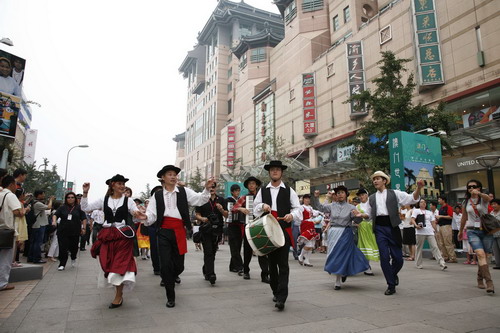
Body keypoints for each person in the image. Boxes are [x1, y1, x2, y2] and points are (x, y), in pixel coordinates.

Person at [144, 165, 212, 308]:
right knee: (166, 264)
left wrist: (206, 189)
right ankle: (170, 295)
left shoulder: (184, 191)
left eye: (175, 174)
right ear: (163, 178)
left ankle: (173, 275)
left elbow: (200, 200)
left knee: (179, 265)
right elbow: (151, 216)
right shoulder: (156, 196)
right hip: (163, 231)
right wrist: (143, 216)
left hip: (179, 231)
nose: (173, 176)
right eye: (169, 174)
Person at [353, 171, 423, 295]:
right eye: (374, 179)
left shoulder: (394, 194)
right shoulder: (372, 198)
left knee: (398, 259)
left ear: (384, 181)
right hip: (379, 228)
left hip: (393, 227)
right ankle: (391, 284)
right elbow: (368, 214)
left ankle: (393, 273)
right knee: (384, 257)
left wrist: (418, 188)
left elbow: (412, 198)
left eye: (378, 178)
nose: (375, 181)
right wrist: (361, 215)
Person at [83, 174, 143, 308]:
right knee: (107, 262)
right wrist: (85, 193)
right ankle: (116, 288)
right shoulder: (103, 200)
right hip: (107, 235)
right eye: (120, 184)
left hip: (122, 236)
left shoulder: (129, 201)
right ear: (112, 185)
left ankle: (118, 295)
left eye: (123, 184)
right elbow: (85, 208)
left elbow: (135, 211)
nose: (122, 186)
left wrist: (137, 213)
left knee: (119, 264)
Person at [253, 160, 301, 311]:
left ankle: (282, 297)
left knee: (283, 264)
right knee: (272, 265)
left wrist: (291, 216)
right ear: (269, 172)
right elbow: (255, 207)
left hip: (283, 230)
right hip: (267, 231)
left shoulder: (289, 190)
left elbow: (298, 209)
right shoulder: (263, 190)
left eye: (277, 170)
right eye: (272, 170)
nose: (275, 172)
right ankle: (275, 290)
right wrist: (263, 206)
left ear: (281, 172)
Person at [313, 186, 369, 290]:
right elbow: (320, 208)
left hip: (345, 232)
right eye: (338, 193)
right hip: (333, 232)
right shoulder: (331, 205)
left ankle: (338, 280)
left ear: (346, 194)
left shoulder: (352, 207)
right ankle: (341, 275)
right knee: (334, 254)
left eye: (342, 192)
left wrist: (358, 216)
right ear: (336, 195)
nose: (340, 194)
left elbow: (357, 221)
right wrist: (316, 197)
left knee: (341, 255)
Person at [459, 179, 494, 293]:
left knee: (485, 256)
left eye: (474, 186)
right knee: (480, 253)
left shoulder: (483, 199)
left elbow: (489, 199)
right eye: (469, 187)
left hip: (486, 230)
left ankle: (479, 278)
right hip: (472, 230)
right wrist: (460, 231)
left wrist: (478, 193)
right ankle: (489, 282)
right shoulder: (466, 202)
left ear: (479, 187)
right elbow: (464, 217)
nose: (471, 188)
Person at [232, 176, 269, 282]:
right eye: (249, 184)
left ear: (257, 185)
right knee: (247, 250)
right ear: (247, 186)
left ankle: (265, 274)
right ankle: (246, 270)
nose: (251, 185)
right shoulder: (244, 197)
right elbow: (234, 208)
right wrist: (241, 208)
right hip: (249, 226)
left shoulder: (262, 197)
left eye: (253, 183)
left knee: (262, 250)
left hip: (261, 226)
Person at [195, 181, 228, 286]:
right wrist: (203, 219)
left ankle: (206, 268)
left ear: (216, 188)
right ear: (206, 187)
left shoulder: (221, 200)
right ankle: (211, 274)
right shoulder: (202, 199)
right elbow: (197, 215)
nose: (212, 188)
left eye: (214, 186)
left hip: (217, 229)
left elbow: (227, 215)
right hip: (206, 229)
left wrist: (221, 209)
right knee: (208, 251)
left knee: (213, 252)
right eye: (210, 186)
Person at [53, 192, 87, 271]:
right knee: (63, 248)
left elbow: (84, 218)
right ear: (66, 199)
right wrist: (54, 221)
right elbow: (55, 215)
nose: (70, 199)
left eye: (72, 197)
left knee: (74, 247)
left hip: (75, 231)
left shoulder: (79, 208)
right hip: (63, 231)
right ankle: (62, 264)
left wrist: (84, 228)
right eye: (68, 197)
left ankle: (73, 257)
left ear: (75, 199)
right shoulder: (62, 207)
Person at [0, 176, 23, 291]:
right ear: (11, 184)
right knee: (5, 259)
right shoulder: (10, 195)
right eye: (15, 184)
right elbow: (17, 212)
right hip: (6, 231)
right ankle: (3, 283)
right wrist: (23, 211)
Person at [411, 199, 447, 270]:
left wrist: (436, 231)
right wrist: (416, 225)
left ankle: (442, 263)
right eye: (421, 202)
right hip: (420, 232)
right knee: (419, 248)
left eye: (424, 202)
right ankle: (418, 264)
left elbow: (433, 222)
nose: (423, 203)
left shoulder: (429, 212)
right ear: (419, 203)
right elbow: (412, 219)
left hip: (429, 231)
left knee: (435, 247)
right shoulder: (416, 211)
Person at [355, 188, 380, 274]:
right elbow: (355, 218)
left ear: (367, 195)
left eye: (363, 195)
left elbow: (370, 215)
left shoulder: (371, 204)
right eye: (360, 195)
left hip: (372, 227)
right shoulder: (357, 206)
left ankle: (366, 266)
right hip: (362, 228)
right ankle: (367, 267)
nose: (361, 197)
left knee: (371, 245)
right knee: (364, 246)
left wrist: (362, 215)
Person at [28, 190, 54, 264]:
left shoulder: (34, 202)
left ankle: (31, 257)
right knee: (38, 242)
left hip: (36, 225)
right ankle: (36, 258)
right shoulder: (38, 203)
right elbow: (49, 207)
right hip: (39, 225)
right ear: (38, 195)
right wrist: (51, 200)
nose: (44, 195)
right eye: (43, 194)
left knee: (33, 242)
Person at [296, 194, 321, 267]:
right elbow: (298, 215)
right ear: (303, 200)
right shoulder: (301, 207)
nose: (307, 200)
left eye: (308, 199)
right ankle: (300, 256)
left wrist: (321, 213)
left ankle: (307, 260)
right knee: (308, 244)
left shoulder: (310, 208)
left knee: (312, 244)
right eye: (306, 199)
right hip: (305, 225)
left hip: (311, 225)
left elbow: (315, 213)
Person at [226, 184, 244, 274]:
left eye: (238, 190)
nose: (237, 192)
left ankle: (232, 266)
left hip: (239, 226)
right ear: (232, 192)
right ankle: (240, 266)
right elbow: (230, 210)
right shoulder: (228, 200)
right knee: (234, 247)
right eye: (236, 191)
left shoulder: (242, 200)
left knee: (238, 246)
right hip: (231, 226)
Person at [434, 196, 456, 263]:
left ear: (443, 200)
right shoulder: (440, 208)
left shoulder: (448, 207)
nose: (438, 200)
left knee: (447, 242)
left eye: (440, 199)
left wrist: (441, 216)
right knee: (441, 243)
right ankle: (445, 256)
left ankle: (452, 257)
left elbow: (450, 216)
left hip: (446, 226)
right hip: (441, 226)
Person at [147, 185, 163, 276]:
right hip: (153, 227)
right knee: (154, 247)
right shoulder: (151, 204)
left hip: (165, 227)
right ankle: (156, 267)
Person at [489, 199, 500, 270]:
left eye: (495, 204)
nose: (493, 205)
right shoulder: (491, 213)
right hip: (493, 234)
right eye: (492, 204)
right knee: (495, 250)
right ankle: (498, 264)